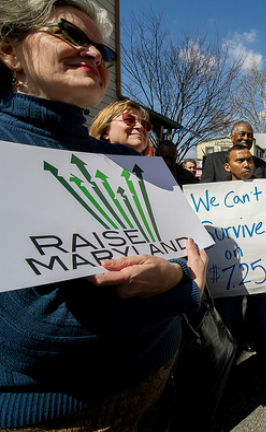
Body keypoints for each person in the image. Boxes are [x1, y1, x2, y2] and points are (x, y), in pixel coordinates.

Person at [0, 1, 207, 429]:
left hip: (159, 381)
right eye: (71, 35)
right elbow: (37, 331)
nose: (94, 53)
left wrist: (171, 274)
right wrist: (182, 291)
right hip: (61, 415)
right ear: (9, 50)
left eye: (104, 50)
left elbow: (185, 253)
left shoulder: (123, 161)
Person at [213, 144, 266, 357]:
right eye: (240, 160)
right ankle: (230, 374)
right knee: (229, 323)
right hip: (229, 272)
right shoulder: (214, 198)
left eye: (250, 160)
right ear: (228, 167)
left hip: (262, 270)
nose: (246, 164)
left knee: (265, 321)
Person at [200, 121, 266, 182]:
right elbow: (205, 188)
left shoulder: (262, 165)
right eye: (242, 134)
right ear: (232, 137)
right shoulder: (214, 160)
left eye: (249, 135)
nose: (246, 138)